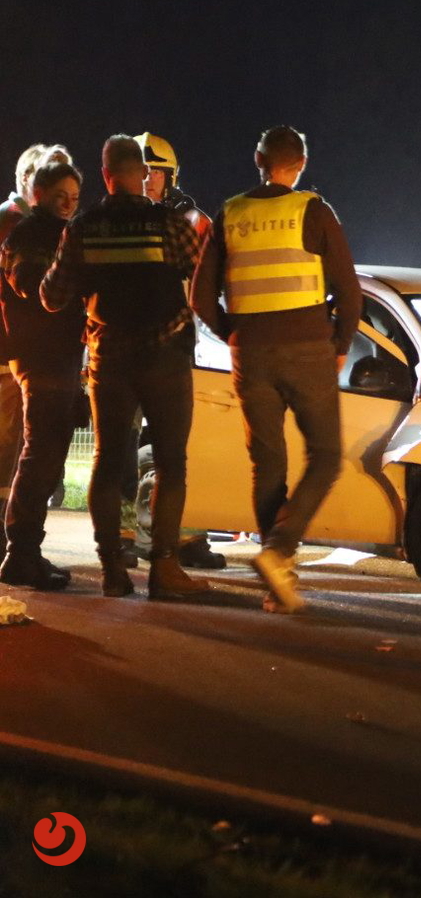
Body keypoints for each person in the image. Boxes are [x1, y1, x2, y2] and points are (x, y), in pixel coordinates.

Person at [190, 126, 360, 614]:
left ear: (258, 159)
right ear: (301, 163)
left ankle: (276, 583)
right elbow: (348, 290)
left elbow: (200, 297)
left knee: (268, 464)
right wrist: (341, 345)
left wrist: (235, 334)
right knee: (326, 455)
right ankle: (280, 551)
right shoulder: (314, 210)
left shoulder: (231, 213)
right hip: (308, 347)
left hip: (252, 352)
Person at [41, 136, 208, 600]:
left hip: (109, 362)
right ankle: (165, 570)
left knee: (108, 462)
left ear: (106, 175)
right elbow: (195, 270)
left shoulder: (83, 227)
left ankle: (113, 569)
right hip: (166, 357)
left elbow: (52, 296)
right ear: (142, 174)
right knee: (173, 463)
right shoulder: (168, 222)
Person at [126, 131, 223, 569]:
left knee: (185, 445)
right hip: (128, 348)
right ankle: (124, 536)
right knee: (123, 449)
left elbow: (210, 283)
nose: (147, 179)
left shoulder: (193, 221)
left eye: (155, 172)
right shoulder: (116, 219)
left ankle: (187, 536)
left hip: (182, 347)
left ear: (171, 176)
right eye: (140, 171)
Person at [0, 161, 84, 590]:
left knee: (47, 455)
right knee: (40, 454)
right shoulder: (29, 236)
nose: (69, 205)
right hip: (40, 356)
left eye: (74, 198)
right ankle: (20, 553)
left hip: (60, 355)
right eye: (60, 197)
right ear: (39, 195)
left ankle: (26, 551)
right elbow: (30, 284)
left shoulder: (58, 233)